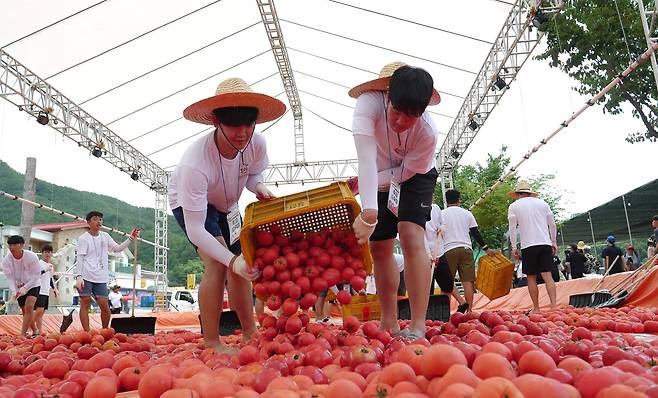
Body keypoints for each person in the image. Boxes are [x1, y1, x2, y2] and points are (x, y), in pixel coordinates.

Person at [168, 77, 284, 353]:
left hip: (229, 206)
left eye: (248, 123)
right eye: (233, 124)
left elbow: (253, 172)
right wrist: (231, 260)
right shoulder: (195, 165)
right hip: (195, 206)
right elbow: (196, 229)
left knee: (244, 267)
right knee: (219, 264)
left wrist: (259, 186)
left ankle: (249, 332)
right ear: (215, 122)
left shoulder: (257, 143)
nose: (242, 132)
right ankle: (211, 341)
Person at [349, 62, 441, 339]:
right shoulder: (367, 105)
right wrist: (368, 212)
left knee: (411, 234)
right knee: (380, 248)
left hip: (415, 177)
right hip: (374, 171)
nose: (401, 121)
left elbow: (404, 173)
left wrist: (370, 189)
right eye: (397, 110)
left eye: (411, 116)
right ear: (388, 97)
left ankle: (418, 324)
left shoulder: (427, 132)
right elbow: (365, 159)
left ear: (422, 112)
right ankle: (388, 321)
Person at [75, 211, 140, 331]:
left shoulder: (105, 236)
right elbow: (80, 257)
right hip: (86, 275)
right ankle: (86, 332)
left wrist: (130, 238)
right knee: (85, 302)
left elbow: (117, 248)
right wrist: (79, 276)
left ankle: (105, 330)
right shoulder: (83, 238)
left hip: (101, 277)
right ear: (88, 222)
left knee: (104, 304)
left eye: (100, 219)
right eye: (95, 219)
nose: (99, 221)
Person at [507, 181, 558, 314]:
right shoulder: (543, 203)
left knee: (531, 277)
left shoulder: (514, 206)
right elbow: (552, 224)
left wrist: (513, 247)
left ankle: (536, 308)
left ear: (518, 194)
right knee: (548, 276)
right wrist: (553, 241)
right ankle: (554, 306)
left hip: (528, 245)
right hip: (545, 242)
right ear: (530, 193)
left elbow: (512, 229)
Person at [441, 189, 494, 313]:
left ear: (446, 200)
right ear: (459, 200)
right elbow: (476, 233)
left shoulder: (441, 214)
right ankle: (469, 311)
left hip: (448, 249)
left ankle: (445, 313)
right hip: (466, 249)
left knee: (446, 282)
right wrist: (486, 249)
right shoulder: (467, 213)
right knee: (467, 282)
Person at [1, 235, 42, 336]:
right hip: (18, 286)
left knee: (29, 307)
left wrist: (26, 287)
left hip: (33, 284)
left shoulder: (31, 256)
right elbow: (9, 277)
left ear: (21, 245)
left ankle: (22, 334)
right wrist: (14, 291)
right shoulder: (6, 261)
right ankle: (35, 330)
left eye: (14, 245)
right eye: (9, 245)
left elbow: (37, 274)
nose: (11, 247)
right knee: (25, 311)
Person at [425, 203, 460, 308]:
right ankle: (426, 313)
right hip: (424, 254)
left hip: (439, 251)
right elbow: (420, 235)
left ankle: (445, 310)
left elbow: (443, 223)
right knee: (427, 288)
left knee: (447, 284)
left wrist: (442, 228)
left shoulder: (435, 208)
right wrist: (428, 255)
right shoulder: (416, 210)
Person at [33, 245, 58, 335]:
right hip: (38, 289)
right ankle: (29, 324)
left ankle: (39, 332)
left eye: (49, 252)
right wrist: (45, 270)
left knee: (41, 312)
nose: (47, 254)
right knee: (39, 310)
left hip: (45, 291)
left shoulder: (51, 266)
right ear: (42, 253)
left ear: (52, 254)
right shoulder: (39, 263)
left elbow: (51, 279)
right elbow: (35, 275)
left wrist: (55, 289)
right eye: (45, 252)